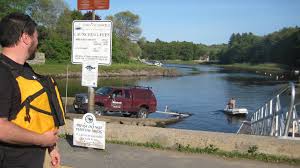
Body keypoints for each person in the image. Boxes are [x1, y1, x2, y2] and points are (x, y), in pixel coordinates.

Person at [0, 13, 65, 168]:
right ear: (26, 38)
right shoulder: (2, 73)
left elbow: (36, 114)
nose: (37, 41)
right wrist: (42, 140)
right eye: (36, 36)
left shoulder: (25, 70)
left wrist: (51, 147)